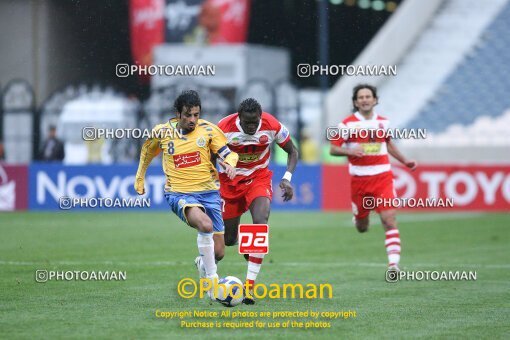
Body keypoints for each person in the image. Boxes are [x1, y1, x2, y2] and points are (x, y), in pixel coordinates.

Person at [134, 90, 238, 298]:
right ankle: (212, 284)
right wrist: (140, 177)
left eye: (196, 115)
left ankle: (203, 262)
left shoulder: (209, 130)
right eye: (188, 115)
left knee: (219, 252)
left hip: (209, 193)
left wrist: (230, 163)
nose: (192, 120)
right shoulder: (162, 132)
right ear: (178, 114)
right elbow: (147, 153)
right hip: (179, 193)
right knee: (205, 225)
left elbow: (229, 153)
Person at [216, 98, 299, 304]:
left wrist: (287, 178)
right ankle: (246, 242)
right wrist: (215, 173)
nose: (252, 126)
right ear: (239, 118)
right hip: (230, 182)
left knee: (260, 222)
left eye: (255, 122)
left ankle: (249, 289)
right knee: (228, 240)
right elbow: (209, 153)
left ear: (261, 117)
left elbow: (293, 151)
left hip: (258, 178)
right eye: (247, 122)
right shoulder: (223, 128)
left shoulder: (272, 125)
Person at [330, 84, 417, 271]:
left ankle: (393, 264)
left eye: (368, 96)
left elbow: (388, 144)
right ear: (355, 102)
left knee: (389, 219)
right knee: (362, 227)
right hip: (359, 182)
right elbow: (333, 148)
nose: (364, 99)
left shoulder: (383, 123)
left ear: (375, 100)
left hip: (383, 177)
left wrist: (405, 161)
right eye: (360, 97)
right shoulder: (347, 124)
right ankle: (359, 217)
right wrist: (349, 150)